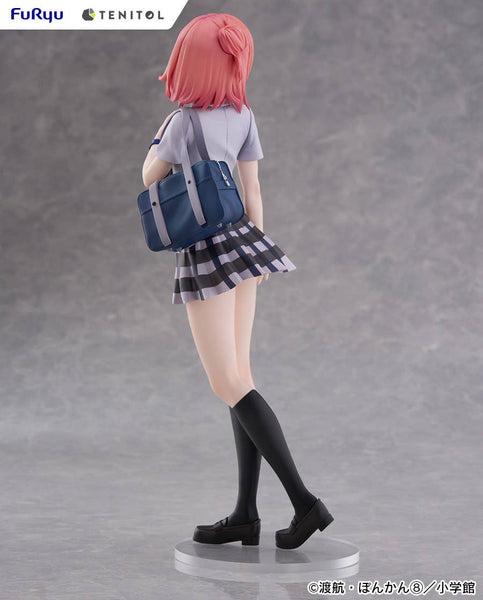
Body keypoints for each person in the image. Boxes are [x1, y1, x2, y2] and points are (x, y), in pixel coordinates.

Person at [141, 12, 334, 550]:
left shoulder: (181, 123)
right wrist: (258, 255)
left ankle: (304, 502)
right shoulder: (243, 114)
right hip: (247, 242)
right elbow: (254, 190)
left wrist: (156, 141)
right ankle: (245, 514)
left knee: (227, 382)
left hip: (206, 251)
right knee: (240, 377)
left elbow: (150, 176)